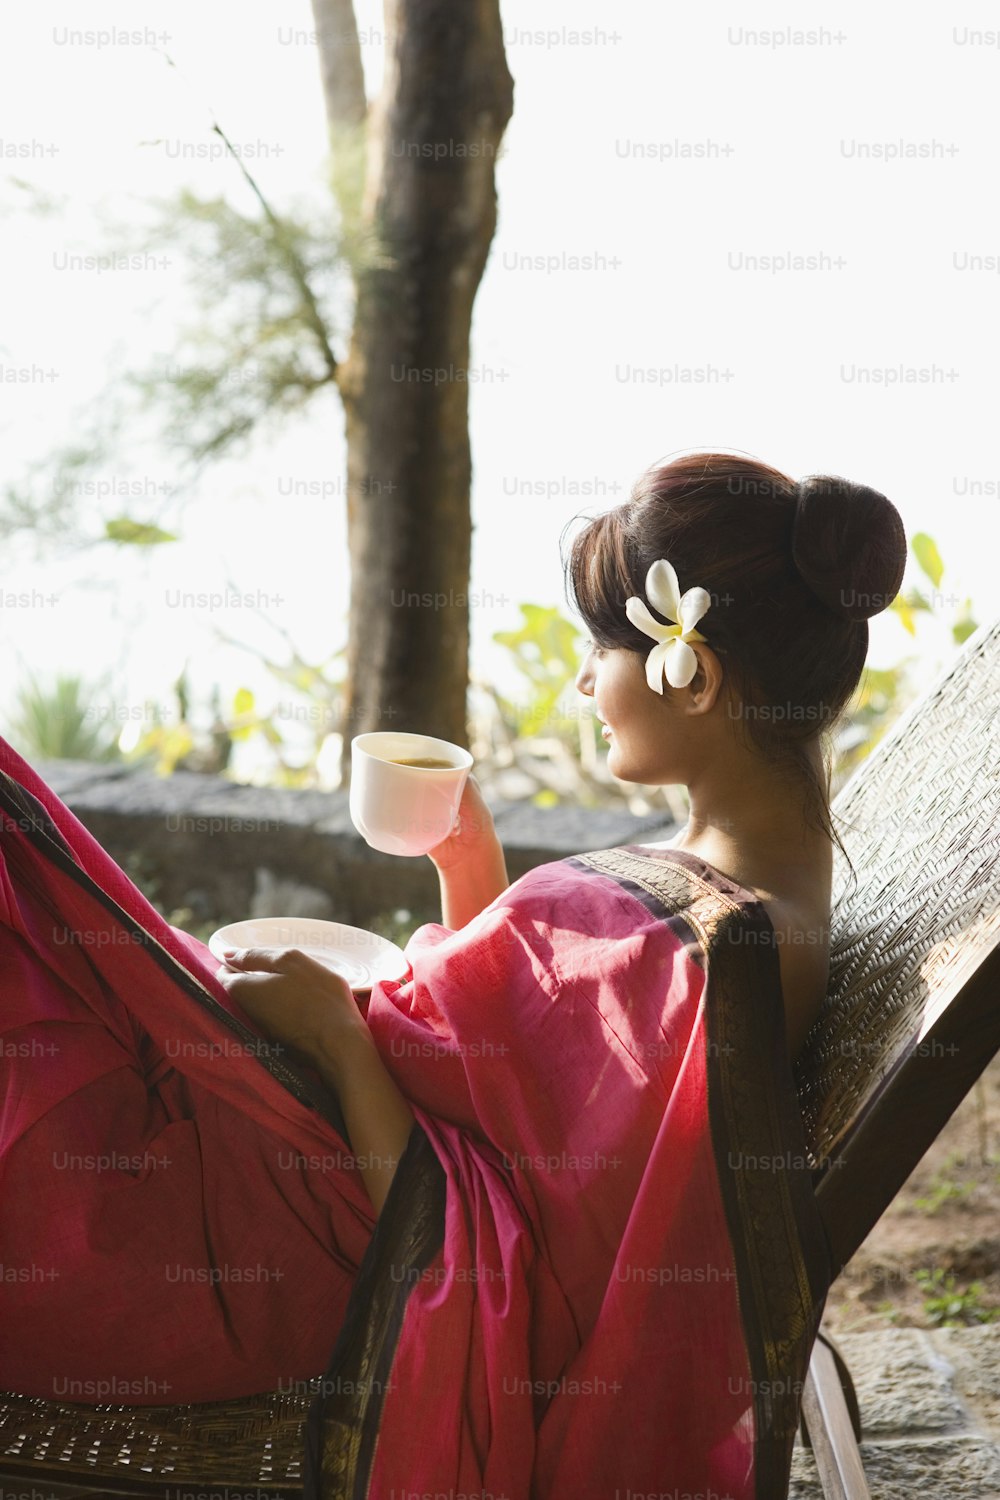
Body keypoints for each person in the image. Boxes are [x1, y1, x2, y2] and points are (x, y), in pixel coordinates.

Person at [0, 451, 907, 1500]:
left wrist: (338, 1040)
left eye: (599, 648)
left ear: (687, 671)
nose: (580, 682)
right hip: (251, 1142)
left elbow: (489, 1257)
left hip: (225, 1215)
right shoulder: (730, 901)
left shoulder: (701, 951)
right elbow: (506, 1095)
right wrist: (469, 866)